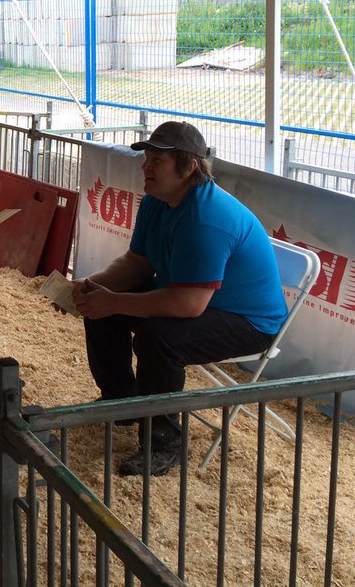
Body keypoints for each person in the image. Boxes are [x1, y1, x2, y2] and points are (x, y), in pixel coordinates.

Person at [72, 120, 286, 477]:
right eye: (147, 159)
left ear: (188, 167)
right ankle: (121, 402)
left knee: (158, 339)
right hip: (195, 299)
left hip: (249, 321)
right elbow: (137, 262)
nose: (146, 167)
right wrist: (94, 285)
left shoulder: (206, 218)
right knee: (102, 308)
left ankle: (164, 445)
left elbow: (188, 304)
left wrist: (114, 301)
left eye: (157, 161)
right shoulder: (158, 201)